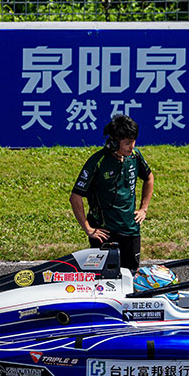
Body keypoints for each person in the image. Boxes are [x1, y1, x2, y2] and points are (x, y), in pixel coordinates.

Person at [70, 114, 153, 273]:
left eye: (133, 141)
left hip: (131, 229)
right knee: (103, 279)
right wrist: (88, 229)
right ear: (113, 143)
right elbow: (75, 197)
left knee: (130, 276)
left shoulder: (135, 156)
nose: (132, 147)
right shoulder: (97, 162)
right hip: (104, 233)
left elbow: (149, 178)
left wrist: (144, 208)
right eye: (127, 143)